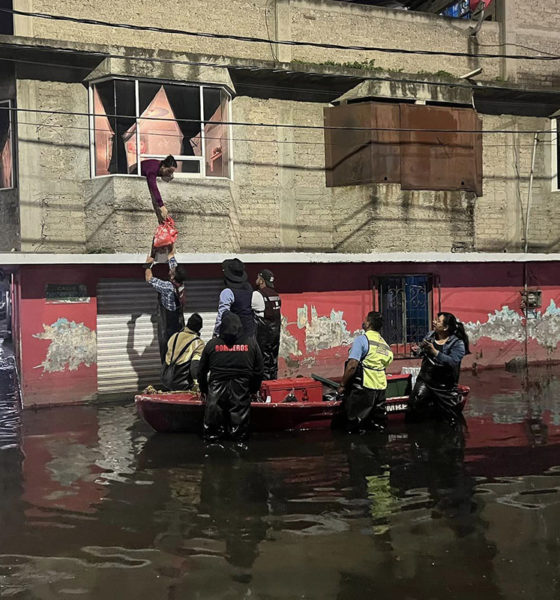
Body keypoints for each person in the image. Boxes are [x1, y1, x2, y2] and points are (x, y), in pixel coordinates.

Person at [199, 311, 264, 442]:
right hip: (241, 390)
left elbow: (201, 371)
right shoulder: (251, 344)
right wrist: (252, 390)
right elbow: (259, 371)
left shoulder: (212, 344)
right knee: (239, 437)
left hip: (216, 391)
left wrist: (204, 390)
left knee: (212, 437)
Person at [406, 312, 470, 423]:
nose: (434, 322)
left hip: (445, 385)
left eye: (438, 321)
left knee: (451, 419)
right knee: (415, 403)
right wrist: (417, 350)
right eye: (435, 319)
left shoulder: (457, 343)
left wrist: (435, 352)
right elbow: (422, 351)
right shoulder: (430, 336)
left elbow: (453, 361)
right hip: (426, 380)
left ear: (445, 327)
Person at [337, 311, 394, 432]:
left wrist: (342, 385)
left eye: (365, 320)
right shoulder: (385, 345)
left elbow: (352, 366)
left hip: (363, 389)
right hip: (380, 390)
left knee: (356, 426)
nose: (363, 322)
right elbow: (387, 362)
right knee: (378, 426)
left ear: (368, 324)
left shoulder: (362, 340)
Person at [144, 247, 187, 362]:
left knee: (166, 344)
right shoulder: (180, 282)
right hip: (178, 318)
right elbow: (171, 256)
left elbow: (149, 278)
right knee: (177, 344)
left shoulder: (168, 287)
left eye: (171, 271)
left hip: (168, 319)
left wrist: (148, 265)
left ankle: (166, 367)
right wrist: (168, 242)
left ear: (172, 276)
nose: (170, 270)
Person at [161, 313, 205, 391]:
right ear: (199, 328)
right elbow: (194, 367)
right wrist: (199, 385)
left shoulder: (174, 336)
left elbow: (166, 356)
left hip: (165, 379)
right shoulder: (198, 343)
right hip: (182, 383)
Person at [213, 258, 255, 338]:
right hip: (249, 336)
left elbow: (222, 315)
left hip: (233, 338)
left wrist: (216, 334)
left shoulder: (227, 292)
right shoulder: (249, 289)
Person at [252, 269, 281, 380]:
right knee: (273, 362)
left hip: (263, 336)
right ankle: (273, 384)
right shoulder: (276, 295)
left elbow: (244, 308)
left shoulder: (257, 295)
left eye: (258, 277)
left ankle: (263, 388)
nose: (256, 279)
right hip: (275, 336)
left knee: (261, 363)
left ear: (261, 281)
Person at [141, 154, 177, 223]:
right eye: (169, 171)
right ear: (163, 166)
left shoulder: (159, 168)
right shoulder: (152, 168)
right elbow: (153, 186)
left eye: (171, 173)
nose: (169, 175)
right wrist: (162, 206)